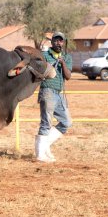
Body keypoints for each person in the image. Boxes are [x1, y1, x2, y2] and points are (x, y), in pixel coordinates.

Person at [35, 31, 72, 162]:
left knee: (66, 122)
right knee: (46, 122)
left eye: (60, 41)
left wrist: (62, 63)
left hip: (59, 93)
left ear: (63, 42)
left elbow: (68, 76)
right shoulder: (44, 55)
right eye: (56, 40)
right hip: (47, 91)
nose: (58, 43)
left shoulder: (66, 57)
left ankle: (45, 146)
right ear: (51, 42)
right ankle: (40, 154)